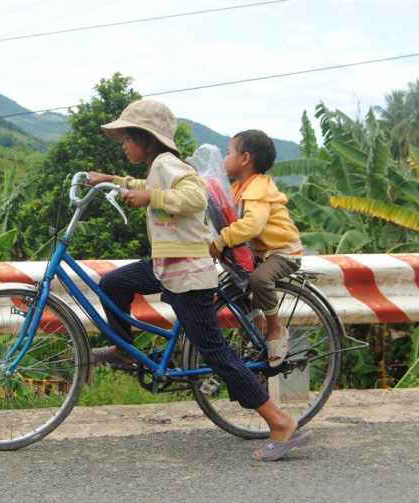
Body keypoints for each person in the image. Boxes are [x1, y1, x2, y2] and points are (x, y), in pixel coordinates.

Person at [88, 100, 312, 461]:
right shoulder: (158, 166)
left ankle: (280, 421)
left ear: (147, 139)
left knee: (216, 353)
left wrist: (149, 196)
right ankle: (122, 351)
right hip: (168, 264)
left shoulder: (168, 163)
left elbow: (194, 196)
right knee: (113, 283)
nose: (124, 145)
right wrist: (110, 180)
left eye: (128, 138)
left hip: (188, 272)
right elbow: (146, 184)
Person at [209, 130, 303, 368]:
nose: (224, 160)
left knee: (260, 279)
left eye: (228, 153)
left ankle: (275, 329)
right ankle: (257, 323)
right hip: (261, 252)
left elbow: (252, 224)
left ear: (245, 159)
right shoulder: (239, 188)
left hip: (283, 251)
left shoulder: (258, 187)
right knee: (232, 285)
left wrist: (221, 241)